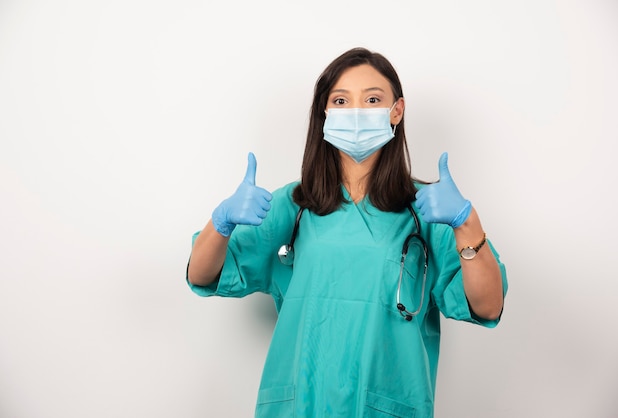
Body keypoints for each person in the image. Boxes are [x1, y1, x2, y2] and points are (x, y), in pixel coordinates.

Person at [186, 47, 507, 418]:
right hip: (301, 403)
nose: (356, 112)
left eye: (372, 99)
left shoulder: (428, 212)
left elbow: (488, 305)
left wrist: (467, 222)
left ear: (396, 110)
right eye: (341, 100)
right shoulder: (295, 206)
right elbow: (201, 273)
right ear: (324, 112)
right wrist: (221, 223)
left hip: (387, 402)